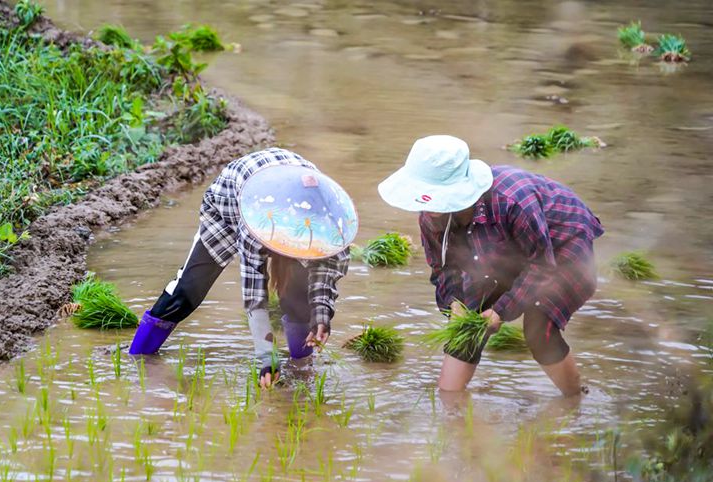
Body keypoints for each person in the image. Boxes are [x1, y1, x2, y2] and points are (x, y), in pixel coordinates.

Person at [378, 135, 603, 396]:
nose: (428, 209)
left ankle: (575, 400)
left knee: (539, 328)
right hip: (502, 247)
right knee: (467, 327)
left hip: (562, 246)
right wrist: (454, 304)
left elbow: (542, 265)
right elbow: (443, 269)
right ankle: (449, 404)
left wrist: (501, 311)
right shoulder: (431, 215)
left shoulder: (513, 200)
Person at [129, 148, 358, 389]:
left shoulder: (333, 229)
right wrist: (266, 358)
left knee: (299, 300)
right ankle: (138, 357)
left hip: (290, 203)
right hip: (230, 206)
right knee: (187, 291)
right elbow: (254, 296)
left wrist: (321, 317)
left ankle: (302, 369)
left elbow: (324, 278)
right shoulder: (256, 224)